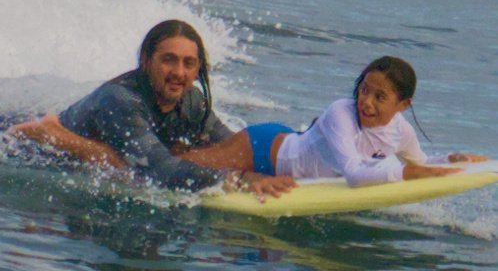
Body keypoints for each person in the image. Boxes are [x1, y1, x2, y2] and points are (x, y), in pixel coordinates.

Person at [10, 20, 295, 198]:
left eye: (188, 63)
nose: (178, 72)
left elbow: (232, 146)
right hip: (32, 154)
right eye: (168, 60)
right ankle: (50, 133)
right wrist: (241, 178)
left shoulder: (193, 102)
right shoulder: (121, 100)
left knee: (144, 162)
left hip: (133, 148)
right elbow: (161, 171)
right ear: (146, 60)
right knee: (129, 171)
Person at [171, 54, 486, 185]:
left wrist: (450, 159)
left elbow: (419, 162)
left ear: (403, 104)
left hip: (294, 146)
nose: (366, 102)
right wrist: (406, 173)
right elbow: (352, 173)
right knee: (182, 165)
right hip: (264, 149)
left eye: (380, 97)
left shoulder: (400, 131)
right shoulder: (341, 112)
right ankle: (152, 147)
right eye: (364, 90)